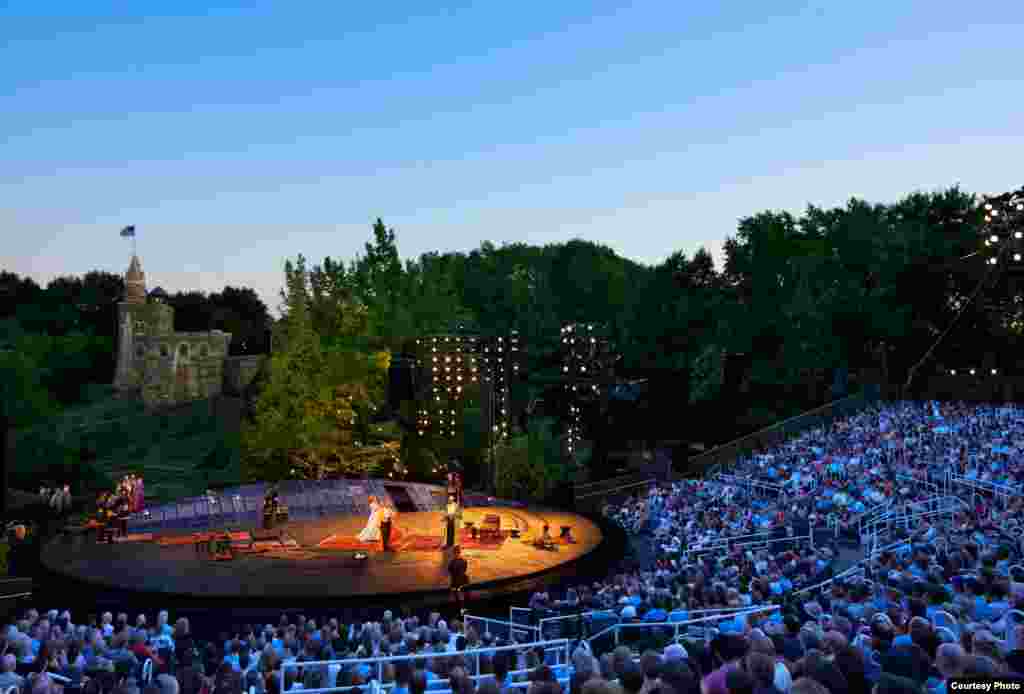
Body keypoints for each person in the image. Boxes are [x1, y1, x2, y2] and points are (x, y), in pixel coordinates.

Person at [448, 546, 469, 611]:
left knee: (456, 594)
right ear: (460, 552)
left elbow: (450, 570)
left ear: (454, 553)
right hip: (463, 580)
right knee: (462, 594)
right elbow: (465, 569)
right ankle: (463, 608)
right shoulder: (464, 560)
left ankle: (458, 608)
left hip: (455, 581)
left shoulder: (452, 562)